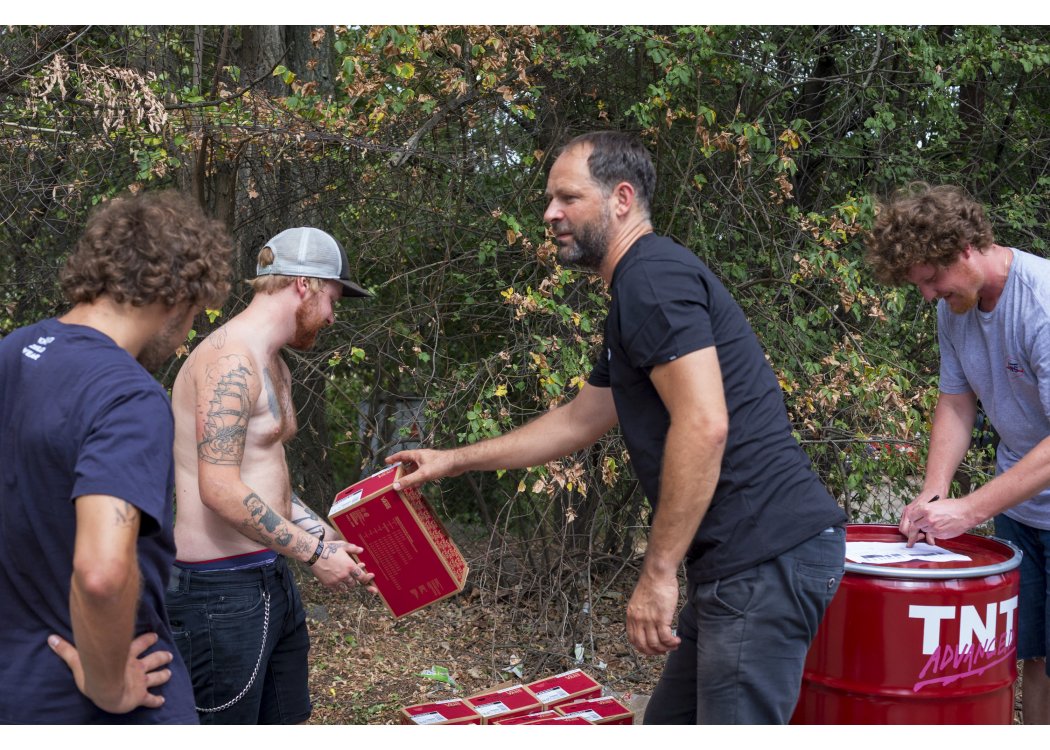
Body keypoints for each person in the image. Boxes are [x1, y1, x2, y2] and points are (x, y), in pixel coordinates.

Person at [387, 131, 847, 724]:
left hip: (762, 556)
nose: (550, 213)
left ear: (621, 199)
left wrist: (657, 572)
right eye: (549, 200)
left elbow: (704, 423)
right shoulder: (639, 287)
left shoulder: (651, 280)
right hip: (743, 561)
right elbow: (579, 420)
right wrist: (453, 460)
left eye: (568, 198)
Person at [0, 190, 234, 723]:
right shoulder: (128, 396)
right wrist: (108, 687)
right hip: (99, 710)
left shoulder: (12, 352)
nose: (185, 334)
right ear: (178, 296)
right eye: (193, 316)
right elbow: (101, 573)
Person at [165, 226, 377, 724]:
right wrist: (314, 554)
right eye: (332, 299)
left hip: (271, 577)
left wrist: (323, 535)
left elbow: (261, 480)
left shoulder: (274, 364)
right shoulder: (228, 361)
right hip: (218, 593)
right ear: (304, 285)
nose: (332, 315)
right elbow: (219, 489)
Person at [865, 183, 1050, 724]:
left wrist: (969, 510)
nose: (928, 296)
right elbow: (956, 401)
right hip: (1022, 511)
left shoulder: (1041, 304)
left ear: (965, 248)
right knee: (1033, 658)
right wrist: (933, 493)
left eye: (931, 280)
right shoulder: (956, 308)